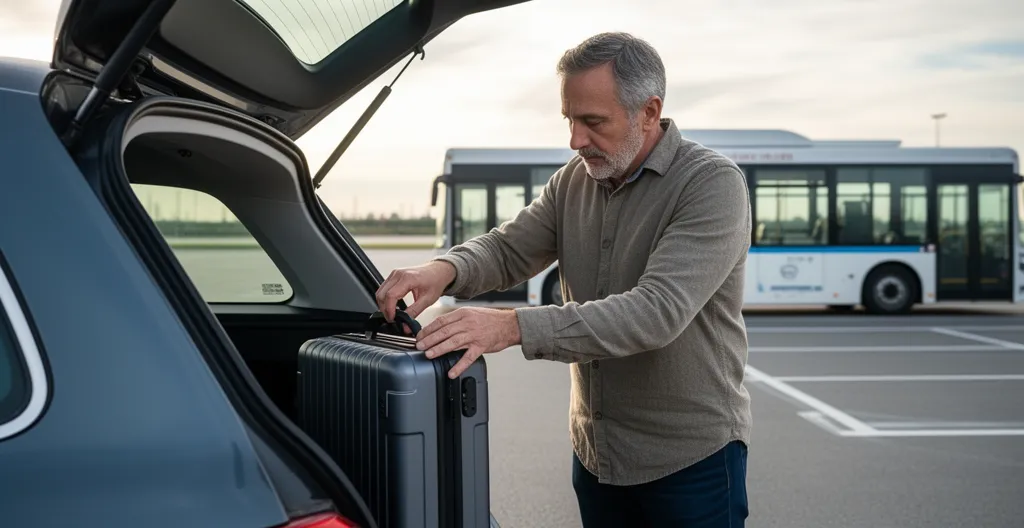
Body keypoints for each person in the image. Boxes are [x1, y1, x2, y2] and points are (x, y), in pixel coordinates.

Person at [375, 32, 752, 527]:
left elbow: (656, 312)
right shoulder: (574, 179)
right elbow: (509, 248)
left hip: (689, 463)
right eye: (569, 120)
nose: (575, 140)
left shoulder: (711, 184)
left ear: (649, 111)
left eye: (593, 122)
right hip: (598, 455)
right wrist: (443, 270)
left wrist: (510, 327)